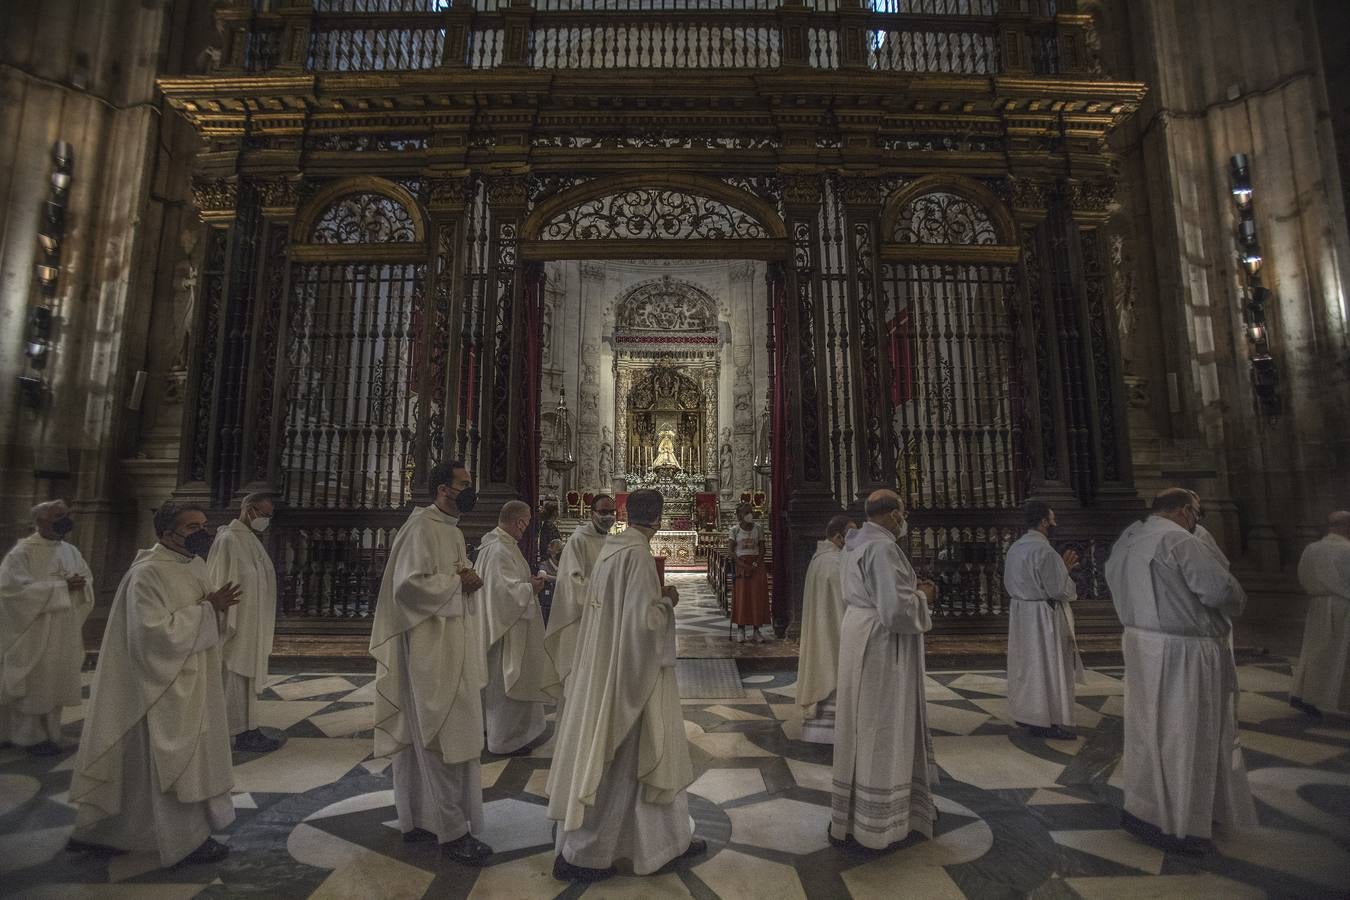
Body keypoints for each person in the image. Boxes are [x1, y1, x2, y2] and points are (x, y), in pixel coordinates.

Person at [68, 502, 241, 867]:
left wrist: (215, 610)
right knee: (159, 763)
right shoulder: (146, 574)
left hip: (191, 678)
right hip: (157, 687)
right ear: (166, 533)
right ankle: (179, 839)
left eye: (203, 525)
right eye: (192, 527)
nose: (202, 533)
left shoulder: (193, 565)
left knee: (181, 759)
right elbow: (151, 635)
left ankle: (129, 833)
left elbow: (207, 614)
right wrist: (209, 609)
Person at [547, 489, 703, 881]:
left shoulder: (612, 549)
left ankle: (663, 842)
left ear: (624, 512)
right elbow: (643, 627)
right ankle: (588, 853)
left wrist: (656, 601)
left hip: (607, 669)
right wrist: (667, 602)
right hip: (631, 676)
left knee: (627, 762)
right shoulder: (635, 555)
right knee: (628, 760)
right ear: (661, 515)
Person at [1105, 488, 1255, 854]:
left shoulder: (1129, 538)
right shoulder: (1177, 540)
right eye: (1197, 514)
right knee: (1189, 733)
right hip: (1184, 651)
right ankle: (1185, 823)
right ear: (1186, 511)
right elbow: (1221, 591)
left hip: (1144, 646)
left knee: (1149, 732)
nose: (1197, 521)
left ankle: (1147, 810)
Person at [369, 461, 494, 866]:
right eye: (464, 484)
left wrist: (466, 576)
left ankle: (419, 819)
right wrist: (460, 582)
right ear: (443, 489)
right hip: (428, 646)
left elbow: (455, 575)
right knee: (438, 732)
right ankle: (452, 832)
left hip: (449, 641)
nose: (469, 490)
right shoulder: (421, 527)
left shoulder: (451, 529)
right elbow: (408, 588)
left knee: (440, 732)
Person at [830, 490, 939, 849]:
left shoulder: (854, 544)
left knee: (862, 722)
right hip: (880, 643)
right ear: (893, 515)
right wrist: (923, 596)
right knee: (880, 721)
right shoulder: (881, 547)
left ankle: (854, 813)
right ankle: (877, 822)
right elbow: (894, 610)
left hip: (860, 634)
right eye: (903, 512)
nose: (903, 518)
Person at [0, 499, 95, 756]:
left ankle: (52, 732)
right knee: (33, 681)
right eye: (57, 516)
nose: (64, 519)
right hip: (34, 630)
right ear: (40, 521)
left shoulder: (70, 550)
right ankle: (24, 735)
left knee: (54, 680)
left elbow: (86, 577)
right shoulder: (22, 553)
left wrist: (81, 584)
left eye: (65, 514)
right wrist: (61, 588)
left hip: (63, 628)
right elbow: (11, 592)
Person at [477, 500, 559, 755]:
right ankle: (506, 739)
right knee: (504, 685)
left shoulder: (498, 545)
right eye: (525, 522)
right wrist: (531, 587)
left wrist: (527, 585)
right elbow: (504, 593)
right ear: (518, 522)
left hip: (507, 625)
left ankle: (519, 732)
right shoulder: (499, 550)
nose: (526, 528)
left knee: (502, 683)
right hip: (507, 631)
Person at [207, 491, 282, 753]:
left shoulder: (249, 538)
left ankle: (247, 729)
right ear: (249, 509)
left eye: (269, 516)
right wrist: (224, 619)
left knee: (244, 679)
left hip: (251, 621)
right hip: (236, 622)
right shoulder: (228, 539)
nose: (266, 520)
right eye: (263, 514)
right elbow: (218, 582)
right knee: (234, 676)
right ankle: (235, 731)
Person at [1004, 500, 1083, 741]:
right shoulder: (1045, 551)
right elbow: (1058, 590)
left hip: (1022, 614)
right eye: (1051, 518)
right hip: (1043, 617)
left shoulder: (1016, 548)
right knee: (1048, 667)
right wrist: (1065, 571)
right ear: (1042, 521)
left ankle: (1029, 714)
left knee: (1028, 667)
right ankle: (1049, 719)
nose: (1054, 523)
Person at [544, 494, 616, 712]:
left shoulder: (610, 540)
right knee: (579, 677)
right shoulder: (578, 539)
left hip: (603, 616)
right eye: (603, 512)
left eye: (611, 512)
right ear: (591, 513)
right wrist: (606, 591)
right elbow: (572, 582)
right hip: (580, 617)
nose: (608, 517)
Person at [797, 514, 853, 744]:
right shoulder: (835, 562)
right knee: (834, 667)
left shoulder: (820, 558)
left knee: (824, 664)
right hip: (835, 627)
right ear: (839, 537)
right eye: (853, 533)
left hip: (824, 625)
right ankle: (832, 731)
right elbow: (848, 599)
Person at [1290, 510, 1350, 718]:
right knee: (1340, 656)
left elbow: (1302, 575)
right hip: (1344, 606)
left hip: (1317, 606)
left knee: (1315, 653)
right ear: (1345, 526)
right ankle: (1337, 700)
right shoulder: (1347, 550)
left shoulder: (1311, 549)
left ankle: (1307, 695)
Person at [729, 501, 771, 643]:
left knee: (756, 597)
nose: (749, 515)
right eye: (746, 512)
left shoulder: (758, 528)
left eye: (750, 512)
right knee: (742, 597)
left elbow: (762, 548)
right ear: (740, 515)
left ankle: (756, 630)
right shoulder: (734, 530)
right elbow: (731, 551)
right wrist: (742, 564)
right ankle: (740, 629)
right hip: (741, 565)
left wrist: (755, 563)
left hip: (756, 566)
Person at [538, 538, 564, 625]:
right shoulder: (544, 565)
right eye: (559, 550)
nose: (561, 553)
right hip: (548, 605)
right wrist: (559, 579)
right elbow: (541, 576)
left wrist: (549, 578)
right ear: (552, 552)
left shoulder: (564, 565)